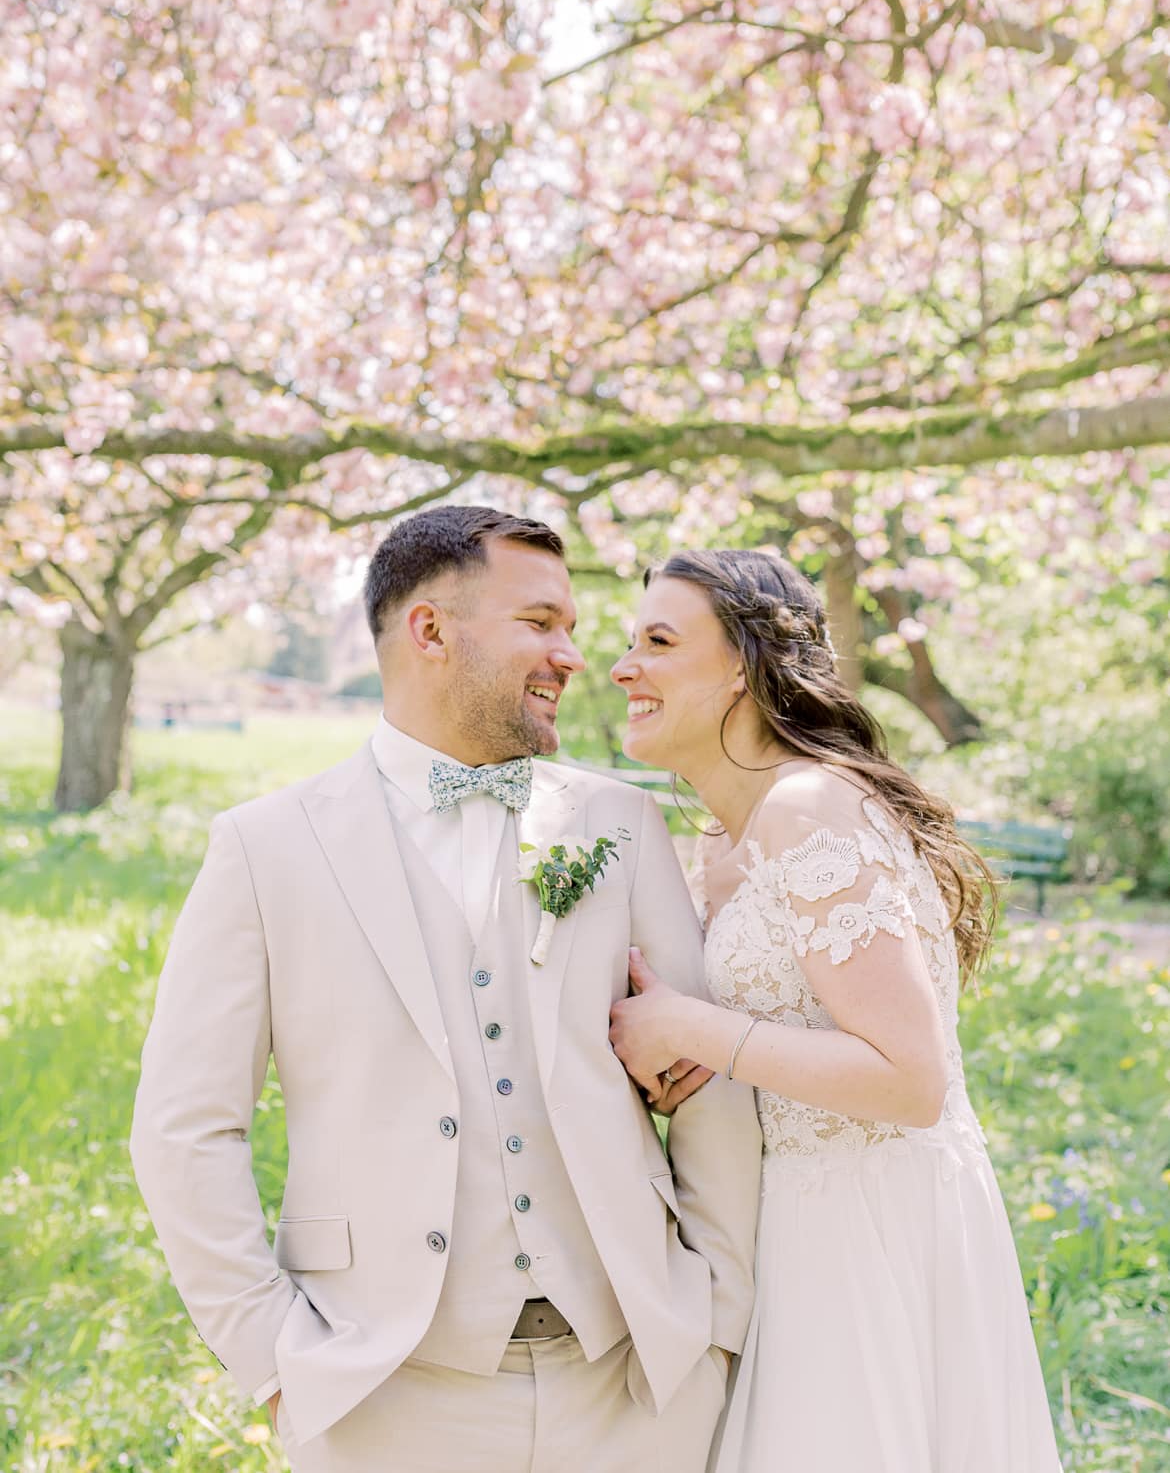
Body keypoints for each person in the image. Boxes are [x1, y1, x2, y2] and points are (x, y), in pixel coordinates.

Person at [130, 507, 761, 1473]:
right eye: (541, 623)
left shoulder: (621, 822)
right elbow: (184, 1127)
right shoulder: (266, 847)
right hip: (383, 1392)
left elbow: (709, 1081)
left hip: (636, 1384)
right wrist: (272, 1359)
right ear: (431, 631)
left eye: (572, 631)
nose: (572, 656)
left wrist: (714, 1317)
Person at [608, 548, 1064, 1473]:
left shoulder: (811, 806)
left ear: (742, 663)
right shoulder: (727, 841)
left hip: (873, 1228)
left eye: (658, 641)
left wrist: (694, 1030)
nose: (623, 668)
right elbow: (784, 1042)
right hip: (791, 1229)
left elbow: (910, 1079)